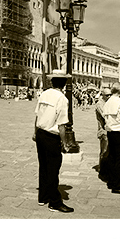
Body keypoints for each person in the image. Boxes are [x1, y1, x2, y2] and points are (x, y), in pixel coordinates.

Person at [34, 70, 74, 213]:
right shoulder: (62, 98)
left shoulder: (44, 94)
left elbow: (37, 115)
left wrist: (35, 132)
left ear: (52, 82)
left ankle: (43, 197)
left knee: (43, 166)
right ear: (64, 83)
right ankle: (54, 202)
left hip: (40, 134)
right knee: (53, 168)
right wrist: (64, 143)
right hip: (51, 137)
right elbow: (62, 124)